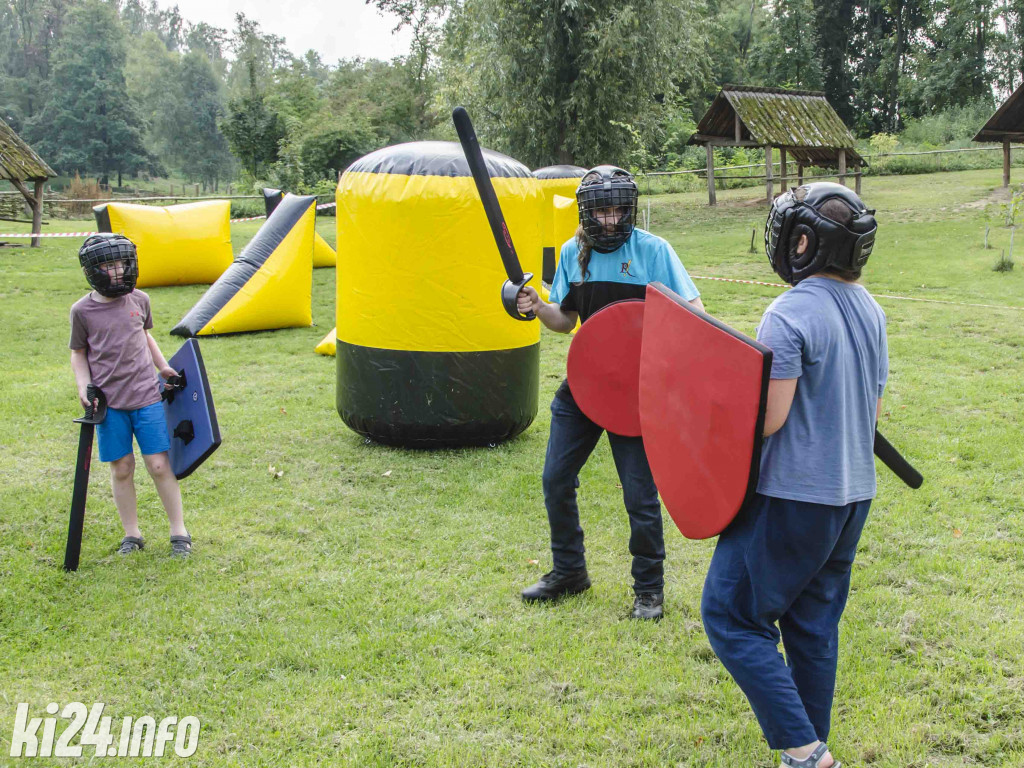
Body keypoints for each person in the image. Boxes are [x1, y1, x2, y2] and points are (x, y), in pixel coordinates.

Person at [700, 182, 887, 768]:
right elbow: (873, 412)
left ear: (802, 242)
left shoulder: (790, 311)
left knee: (731, 615)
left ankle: (805, 751)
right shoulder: (873, 308)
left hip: (792, 497)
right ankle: (806, 755)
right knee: (812, 626)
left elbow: (770, 419)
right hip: (852, 495)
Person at [517, 165, 703, 621]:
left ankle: (649, 590)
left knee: (639, 494)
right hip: (584, 384)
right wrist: (539, 306)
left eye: (619, 210)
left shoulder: (654, 252)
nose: (610, 220)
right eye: (601, 211)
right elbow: (565, 321)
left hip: (636, 392)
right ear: (587, 213)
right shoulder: (571, 254)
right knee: (555, 478)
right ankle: (569, 572)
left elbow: (694, 313)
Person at [69, 233, 192, 558]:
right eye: (109, 266)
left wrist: (163, 366)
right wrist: (83, 386)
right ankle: (132, 534)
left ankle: (179, 532)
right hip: (110, 406)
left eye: (122, 263)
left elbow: (145, 337)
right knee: (121, 467)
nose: (117, 271)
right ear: (94, 270)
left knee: (158, 465)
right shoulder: (82, 311)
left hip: (147, 397)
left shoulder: (140, 300)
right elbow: (78, 353)